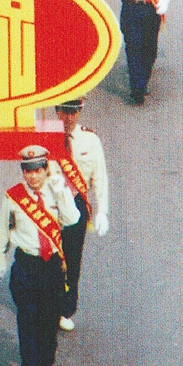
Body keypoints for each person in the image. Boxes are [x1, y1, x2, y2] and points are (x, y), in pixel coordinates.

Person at [0, 145, 79, 366]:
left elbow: (72, 219)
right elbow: (2, 228)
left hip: (51, 266)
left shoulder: (56, 191)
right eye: (28, 171)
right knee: (27, 321)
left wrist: (60, 191)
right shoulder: (13, 196)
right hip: (26, 265)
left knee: (49, 320)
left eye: (37, 170)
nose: (33, 176)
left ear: (46, 169)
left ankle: (45, 362)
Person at [52, 100, 108, 331]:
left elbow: (100, 177)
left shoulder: (90, 140)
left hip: (76, 203)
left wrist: (102, 210)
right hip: (51, 203)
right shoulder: (46, 137)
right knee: (48, 256)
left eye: (74, 112)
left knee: (72, 258)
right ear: (57, 111)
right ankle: (47, 302)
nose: (69, 117)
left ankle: (66, 308)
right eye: (65, 111)